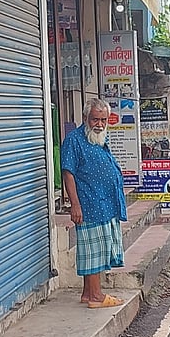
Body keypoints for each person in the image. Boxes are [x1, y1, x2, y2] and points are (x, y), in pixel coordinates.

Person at [61, 98, 127, 309]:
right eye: (95, 120)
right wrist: (75, 204)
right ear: (86, 119)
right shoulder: (74, 140)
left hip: (105, 204)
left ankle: (88, 293)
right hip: (90, 204)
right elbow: (68, 173)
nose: (99, 124)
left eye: (103, 120)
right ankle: (96, 296)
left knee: (96, 249)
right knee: (94, 251)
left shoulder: (98, 139)